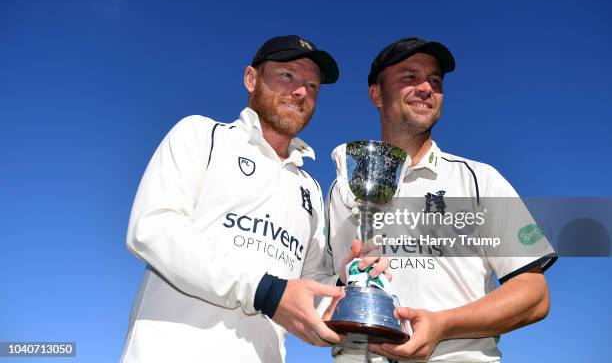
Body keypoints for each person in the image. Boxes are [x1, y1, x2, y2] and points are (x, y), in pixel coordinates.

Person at [325, 37, 557, 362]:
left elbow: (534, 296)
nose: (425, 88)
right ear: (376, 93)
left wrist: (441, 325)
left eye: (435, 81)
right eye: (409, 77)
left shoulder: (479, 179)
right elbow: (322, 286)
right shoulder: (343, 189)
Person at [119, 35, 346, 363]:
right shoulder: (201, 135)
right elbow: (152, 228)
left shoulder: (309, 187)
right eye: (287, 76)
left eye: (312, 86)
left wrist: (346, 283)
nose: (301, 92)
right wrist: (265, 291)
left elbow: (308, 288)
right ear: (251, 79)